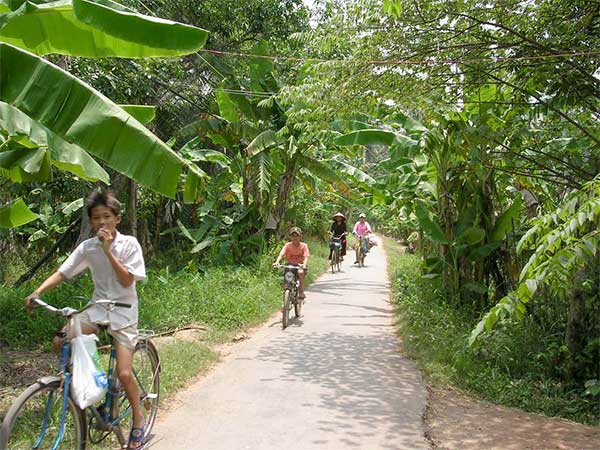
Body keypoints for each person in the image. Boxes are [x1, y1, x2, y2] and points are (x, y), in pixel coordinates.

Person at [24, 190, 147, 450]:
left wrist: (108, 250)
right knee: (62, 340)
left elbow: (127, 280)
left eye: (107, 217)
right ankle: (89, 384)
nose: (101, 222)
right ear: (90, 222)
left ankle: (138, 419)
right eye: (96, 218)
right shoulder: (87, 247)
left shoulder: (129, 245)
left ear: (117, 219)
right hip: (97, 309)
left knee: (124, 374)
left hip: (123, 311)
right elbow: (63, 272)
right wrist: (37, 292)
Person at [273, 227, 310, 299]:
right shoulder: (287, 245)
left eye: (297, 236)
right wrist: (277, 262)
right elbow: (281, 254)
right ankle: (286, 295)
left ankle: (301, 291)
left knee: (301, 272)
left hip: (300, 265)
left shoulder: (304, 246)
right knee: (287, 277)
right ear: (290, 237)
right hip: (290, 265)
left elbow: (306, 257)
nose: (295, 238)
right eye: (293, 236)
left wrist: (304, 265)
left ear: (300, 236)